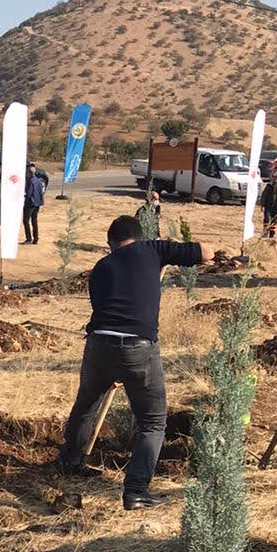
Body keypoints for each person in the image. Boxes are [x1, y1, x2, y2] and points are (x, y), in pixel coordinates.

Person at [56, 215, 208, 510]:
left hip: (99, 344)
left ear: (109, 243)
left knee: (86, 405)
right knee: (152, 421)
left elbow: (103, 308)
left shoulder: (101, 267)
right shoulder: (152, 249)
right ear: (138, 237)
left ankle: (69, 462)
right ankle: (136, 490)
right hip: (137, 347)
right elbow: (205, 253)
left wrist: (112, 367)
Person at [23, 163, 46, 244]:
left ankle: (29, 238)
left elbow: (29, 193)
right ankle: (36, 238)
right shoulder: (39, 180)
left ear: (29, 173)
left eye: (26, 173)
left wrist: (24, 198)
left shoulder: (30, 181)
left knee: (26, 220)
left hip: (31, 203)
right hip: (37, 203)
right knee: (34, 221)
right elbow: (41, 192)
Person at [261, 173, 277, 241]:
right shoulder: (269, 186)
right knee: (266, 220)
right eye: (275, 177)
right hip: (268, 206)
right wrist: (262, 205)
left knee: (274, 221)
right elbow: (264, 196)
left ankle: (271, 235)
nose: (276, 179)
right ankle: (265, 234)